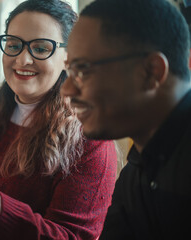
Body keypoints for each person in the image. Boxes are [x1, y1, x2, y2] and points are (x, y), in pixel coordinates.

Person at [0, 0, 117, 239]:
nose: (22, 60)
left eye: (40, 48)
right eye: (14, 45)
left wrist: (1, 211)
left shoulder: (90, 141)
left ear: (68, 56)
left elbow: (72, 236)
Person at [60, 0, 191, 239]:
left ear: (151, 72)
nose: (66, 89)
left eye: (83, 70)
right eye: (69, 71)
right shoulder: (136, 172)